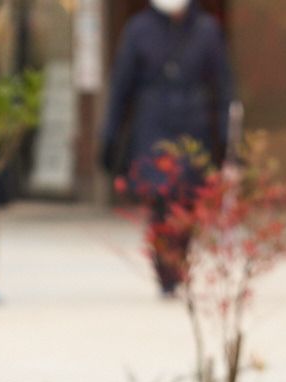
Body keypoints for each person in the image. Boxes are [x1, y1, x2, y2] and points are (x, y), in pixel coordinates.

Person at [100, 0, 233, 295]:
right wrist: (109, 136)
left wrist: (225, 139)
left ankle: (179, 265)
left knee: (187, 201)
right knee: (161, 200)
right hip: (153, 125)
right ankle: (165, 270)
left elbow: (223, 87)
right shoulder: (139, 30)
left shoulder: (206, 29)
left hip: (194, 126)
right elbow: (121, 87)